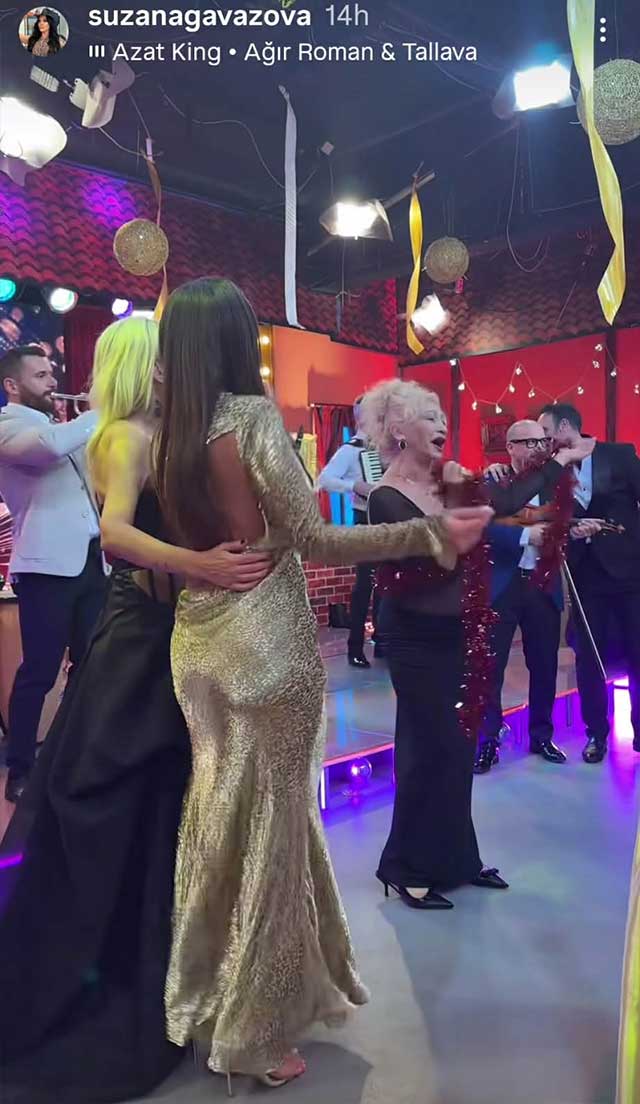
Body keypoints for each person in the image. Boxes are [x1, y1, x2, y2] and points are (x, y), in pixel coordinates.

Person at [152, 277, 490, 1090]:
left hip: (197, 642)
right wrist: (429, 533)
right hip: (264, 641)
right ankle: (256, 1033)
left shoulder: (166, 432)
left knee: (215, 820)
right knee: (272, 836)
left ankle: (207, 999)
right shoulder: (251, 417)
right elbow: (313, 539)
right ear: (237, 341)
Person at [0, 317, 273, 1104]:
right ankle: (120, 981)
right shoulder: (123, 435)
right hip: (137, 639)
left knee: (168, 815)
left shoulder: (170, 436)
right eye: (165, 358)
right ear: (144, 367)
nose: (178, 369)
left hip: (174, 635)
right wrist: (200, 564)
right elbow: (116, 535)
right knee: (120, 805)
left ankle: (179, 978)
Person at [361, 381, 595, 911]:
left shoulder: (449, 480)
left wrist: (559, 460)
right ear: (397, 430)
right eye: (428, 416)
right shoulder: (385, 497)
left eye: (441, 415)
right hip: (416, 640)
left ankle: (457, 860)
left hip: (459, 633)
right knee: (428, 748)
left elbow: (507, 500)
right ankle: (405, 867)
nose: (442, 424)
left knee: (459, 748)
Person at [0, 345, 108, 803]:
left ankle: (79, 755)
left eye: (51, 373)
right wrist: (103, 410)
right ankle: (20, 769)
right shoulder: (9, 425)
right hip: (45, 569)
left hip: (91, 562)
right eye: (41, 375)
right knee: (39, 672)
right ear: (12, 385)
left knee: (91, 666)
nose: (52, 381)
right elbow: (46, 449)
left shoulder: (63, 426)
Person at [538, 403, 640, 763]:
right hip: (585, 575)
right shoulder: (551, 469)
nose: (545, 442)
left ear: (565, 426)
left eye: (547, 433)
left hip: (629, 572)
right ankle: (596, 733)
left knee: (638, 652)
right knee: (588, 659)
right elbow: (547, 518)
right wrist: (570, 531)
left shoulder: (619, 455)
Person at [474, 420, 566, 774]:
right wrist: (527, 537)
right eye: (528, 442)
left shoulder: (554, 482)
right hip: (502, 585)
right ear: (510, 447)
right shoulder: (492, 482)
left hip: (542, 585)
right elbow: (482, 526)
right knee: (490, 668)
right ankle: (488, 740)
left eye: (541, 441)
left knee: (544, 664)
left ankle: (542, 735)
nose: (537, 448)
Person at [316, 396, 381, 667]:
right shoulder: (351, 450)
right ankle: (355, 647)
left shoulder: (388, 447)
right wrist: (355, 486)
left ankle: (382, 640)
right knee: (365, 584)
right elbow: (324, 480)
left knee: (386, 582)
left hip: (387, 521)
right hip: (364, 519)